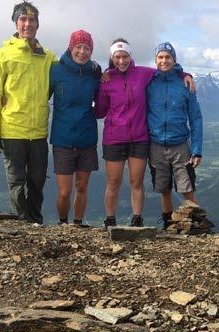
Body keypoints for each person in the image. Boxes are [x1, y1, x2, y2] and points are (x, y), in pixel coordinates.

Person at [95, 39, 195, 228]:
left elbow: (166, 70)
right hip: (114, 138)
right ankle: (110, 220)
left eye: (125, 56)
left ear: (130, 57)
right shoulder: (107, 79)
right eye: (117, 57)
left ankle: (137, 220)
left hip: (139, 138)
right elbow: (100, 110)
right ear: (112, 58)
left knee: (136, 182)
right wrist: (97, 85)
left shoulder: (142, 73)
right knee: (113, 182)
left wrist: (185, 74)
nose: (121, 61)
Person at [0, 1, 57, 224]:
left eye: (32, 20)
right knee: (16, 181)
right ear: (16, 23)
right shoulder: (2, 54)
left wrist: (95, 71)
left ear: (37, 24)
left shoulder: (48, 57)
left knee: (36, 181)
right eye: (23, 19)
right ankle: (22, 224)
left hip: (38, 132)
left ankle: (36, 221)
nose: (27, 24)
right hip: (12, 130)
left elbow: (69, 72)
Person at [146, 42, 203, 229]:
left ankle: (198, 225)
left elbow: (195, 118)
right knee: (163, 189)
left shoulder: (185, 84)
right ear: (155, 60)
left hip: (180, 144)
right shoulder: (149, 82)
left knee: (187, 188)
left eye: (168, 57)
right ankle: (168, 224)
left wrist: (197, 150)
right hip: (155, 144)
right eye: (160, 57)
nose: (164, 60)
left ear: (174, 60)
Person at [49, 30, 101, 225]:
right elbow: (41, 95)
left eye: (87, 48)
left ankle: (78, 224)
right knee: (64, 191)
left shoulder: (95, 73)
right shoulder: (55, 70)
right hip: (62, 139)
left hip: (87, 138)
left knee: (82, 186)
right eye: (78, 47)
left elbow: (103, 98)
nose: (82, 52)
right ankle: (63, 224)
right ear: (71, 47)